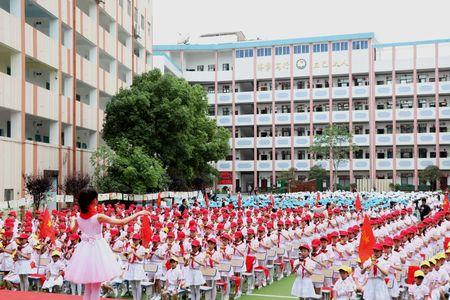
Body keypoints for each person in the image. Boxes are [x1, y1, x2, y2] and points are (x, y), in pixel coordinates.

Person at [65, 188, 151, 300]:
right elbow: (121, 222)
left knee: (88, 288)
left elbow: (72, 230)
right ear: (93, 200)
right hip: (97, 250)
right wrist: (138, 213)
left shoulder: (78, 218)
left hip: (84, 251)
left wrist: (72, 219)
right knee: (95, 287)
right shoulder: (98, 217)